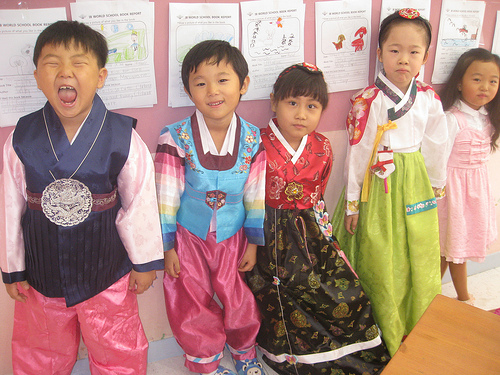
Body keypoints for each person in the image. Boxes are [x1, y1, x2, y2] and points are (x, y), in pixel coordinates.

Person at [0, 20, 164, 374]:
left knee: (117, 347)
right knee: (40, 350)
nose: (65, 72)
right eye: (53, 63)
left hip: (106, 270)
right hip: (42, 272)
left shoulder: (122, 137)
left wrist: (144, 263)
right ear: (37, 76)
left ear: (100, 76)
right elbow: (10, 208)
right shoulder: (20, 138)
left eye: (78, 62)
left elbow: (140, 203)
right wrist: (13, 268)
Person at [247, 63, 389, 375]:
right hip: (269, 234)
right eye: (292, 103)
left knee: (345, 290)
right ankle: (290, 356)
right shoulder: (255, 143)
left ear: (322, 109)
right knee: (284, 291)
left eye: (312, 106)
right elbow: (248, 197)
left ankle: (349, 349)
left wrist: (327, 237)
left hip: (313, 233)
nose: (301, 114)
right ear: (274, 102)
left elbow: (319, 196)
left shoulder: (323, 146)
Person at [331, 9, 448, 356]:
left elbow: (438, 144)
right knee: (381, 253)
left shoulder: (428, 98)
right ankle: (382, 325)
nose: (404, 59)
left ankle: (419, 320)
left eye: (414, 52)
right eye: (394, 50)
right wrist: (352, 203)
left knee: (419, 251)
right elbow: (357, 153)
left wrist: (436, 185)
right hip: (376, 185)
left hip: (414, 181)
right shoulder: (368, 100)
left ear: (425, 57)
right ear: (379, 52)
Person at [154, 40, 266, 375]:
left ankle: (245, 350)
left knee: (238, 295)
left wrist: (255, 241)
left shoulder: (253, 138)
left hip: (233, 235)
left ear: (243, 85)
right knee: (190, 296)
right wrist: (168, 245)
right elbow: (165, 194)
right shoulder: (174, 137)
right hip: (188, 235)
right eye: (200, 83)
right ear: (188, 91)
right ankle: (203, 360)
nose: (212, 91)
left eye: (222, 79)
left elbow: (256, 193)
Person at [438, 48, 500, 305]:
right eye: (477, 79)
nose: (485, 86)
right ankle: (453, 296)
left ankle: (446, 295)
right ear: (460, 83)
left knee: (454, 248)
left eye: (493, 80)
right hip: (452, 193)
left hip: (476, 192)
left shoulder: (488, 118)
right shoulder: (452, 118)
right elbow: (438, 159)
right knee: (450, 249)